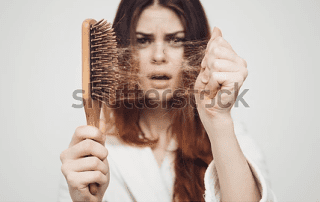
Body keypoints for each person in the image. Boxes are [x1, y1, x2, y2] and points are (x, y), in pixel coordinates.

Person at [59, 0, 277, 201]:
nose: (159, 56)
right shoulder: (90, 155)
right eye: (143, 40)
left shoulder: (229, 137)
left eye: (175, 40)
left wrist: (217, 119)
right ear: (121, 51)